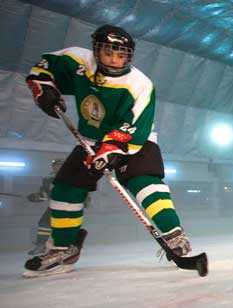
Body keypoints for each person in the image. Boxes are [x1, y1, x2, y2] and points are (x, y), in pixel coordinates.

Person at [22, 24, 193, 277]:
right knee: (65, 188)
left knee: (144, 181)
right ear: (96, 50)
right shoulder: (76, 58)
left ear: (129, 56)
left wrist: (112, 149)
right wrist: (44, 89)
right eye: (109, 53)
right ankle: (63, 248)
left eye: (121, 54)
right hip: (90, 139)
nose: (114, 60)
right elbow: (41, 70)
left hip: (137, 138)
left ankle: (174, 235)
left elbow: (137, 125)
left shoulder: (140, 84)